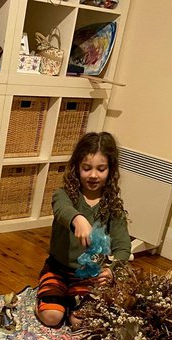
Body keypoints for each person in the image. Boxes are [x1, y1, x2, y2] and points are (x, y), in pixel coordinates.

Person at [36, 131, 131, 327]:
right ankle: (52, 300)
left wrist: (112, 270)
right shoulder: (63, 195)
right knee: (52, 317)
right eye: (87, 168)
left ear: (110, 170)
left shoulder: (113, 206)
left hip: (89, 275)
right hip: (57, 269)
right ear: (77, 167)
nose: (93, 175)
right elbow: (62, 210)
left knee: (79, 321)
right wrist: (78, 219)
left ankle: (69, 302)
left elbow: (123, 247)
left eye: (101, 169)